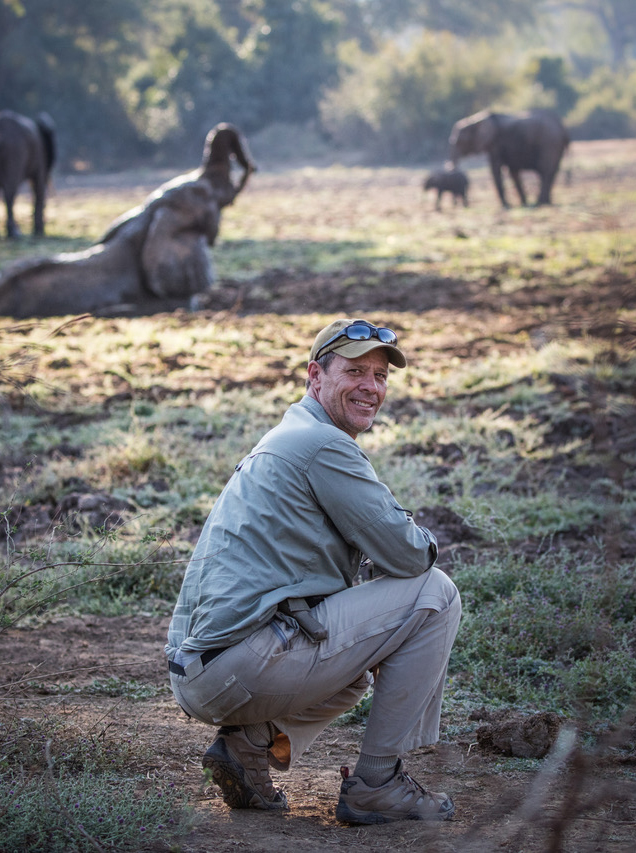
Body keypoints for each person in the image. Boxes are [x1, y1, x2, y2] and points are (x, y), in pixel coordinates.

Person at [165, 317, 462, 825]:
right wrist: (419, 532)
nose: (371, 386)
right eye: (356, 372)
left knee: (349, 680)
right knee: (435, 595)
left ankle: (248, 747)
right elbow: (410, 557)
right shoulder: (323, 444)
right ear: (315, 375)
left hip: (203, 669)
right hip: (237, 666)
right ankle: (378, 783)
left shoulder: (294, 433)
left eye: (381, 376)